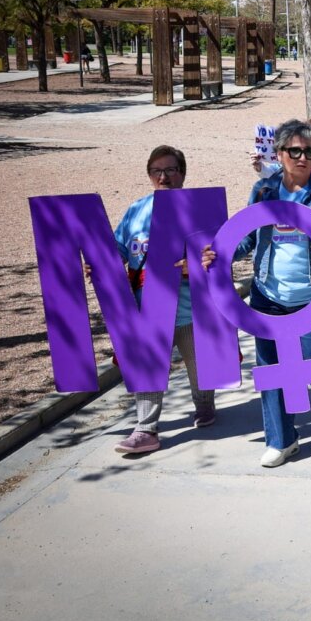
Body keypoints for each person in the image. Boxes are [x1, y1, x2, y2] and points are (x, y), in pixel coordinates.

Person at [202, 119, 311, 467]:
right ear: (280, 153)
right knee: (271, 367)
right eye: (294, 151)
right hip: (268, 296)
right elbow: (246, 237)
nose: (302, 158)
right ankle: (282, 440)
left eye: (308, 151)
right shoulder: (264, 191)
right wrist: (220, 253)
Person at [110, 146, 216, 455]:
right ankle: (145, 429)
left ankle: (204, 404)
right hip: (149, 309)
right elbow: (117, 248)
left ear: (182, 173)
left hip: (191, 311)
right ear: (149, 175)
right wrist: (100, 264)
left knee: (200, 371)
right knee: (148, 367)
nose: (163, 176)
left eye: (170, 170)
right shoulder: (136, 210)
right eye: (156, 170)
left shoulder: (199, 210)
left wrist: (197, 263)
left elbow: (219, 251)